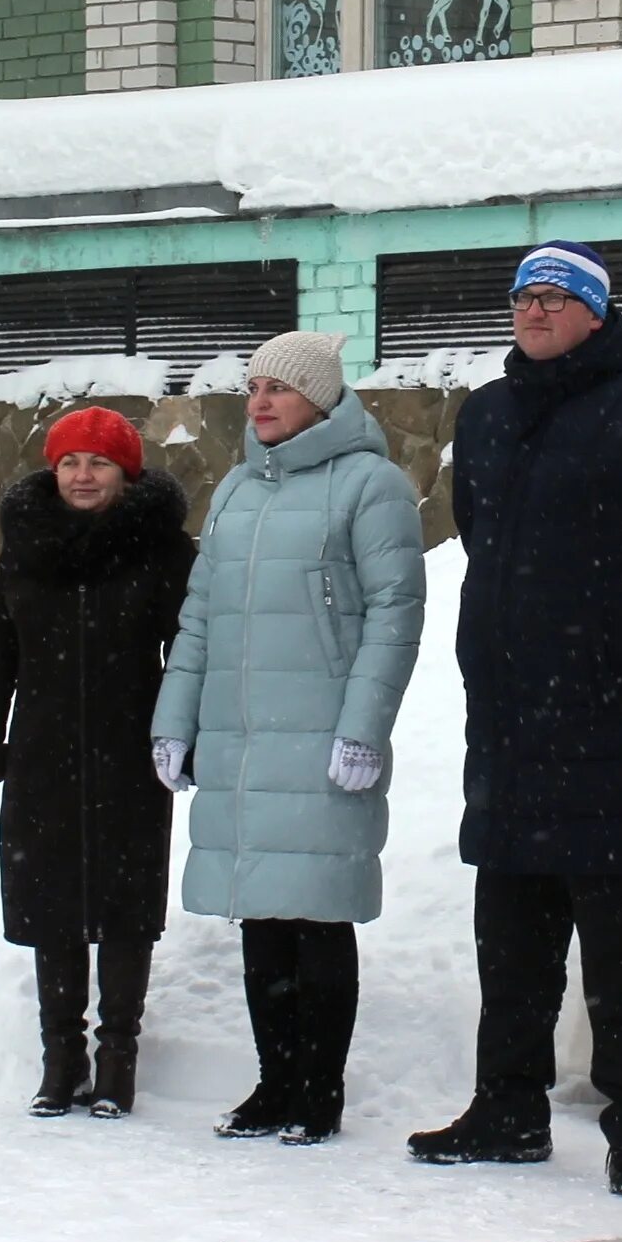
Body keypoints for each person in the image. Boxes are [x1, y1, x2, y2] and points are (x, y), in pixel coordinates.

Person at [408, 243, 622, 1197]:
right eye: (523, 297)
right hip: (509, 715)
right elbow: (480, 536)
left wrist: (621, 660)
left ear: (596, 315)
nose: (533, 312)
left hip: (611, 716)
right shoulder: (486, 412)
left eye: (555, 298)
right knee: (512, 933)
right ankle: (508, 1108)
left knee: (617, 944)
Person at [151, 332, 425, 1146]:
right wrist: (176, 719)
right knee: (262, 917)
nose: (260, 401)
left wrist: (363, 731)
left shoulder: (369, 486)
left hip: (320, 735)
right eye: (254, 387)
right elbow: (199, 616)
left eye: (279, 387)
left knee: (316, 915)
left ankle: (318, 1092)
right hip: (242, 737)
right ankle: (274, 1084)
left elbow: (394, 615)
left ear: (324, 398)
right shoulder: (237, 488)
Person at [0, 408, 194, 1119]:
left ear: (127, 474)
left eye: (99, 463)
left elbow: (192, 652)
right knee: (49, 900)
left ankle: (117, 1057)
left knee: (126, 906)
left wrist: (193, 733)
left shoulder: (164, 551)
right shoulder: (25, 547)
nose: (83, 476)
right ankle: (61, 1060)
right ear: (52, 472)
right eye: (70, 463)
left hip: (131, 749)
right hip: (43, 750)